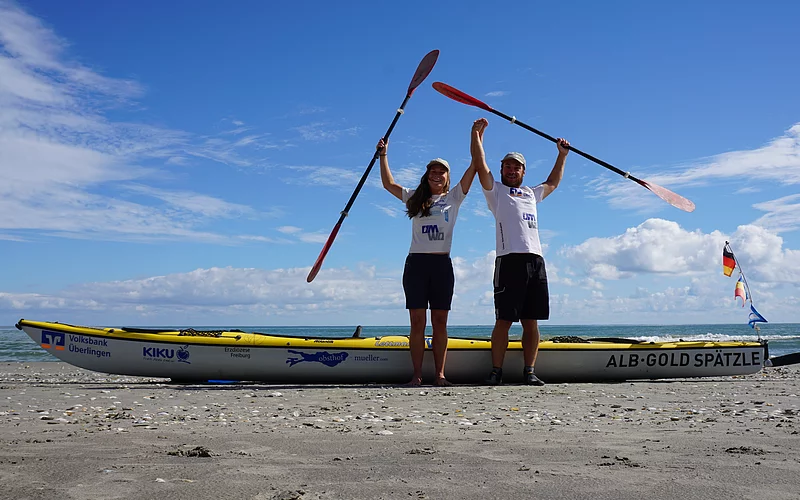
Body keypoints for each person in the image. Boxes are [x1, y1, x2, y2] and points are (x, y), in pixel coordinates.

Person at [377, 122, 480, 386]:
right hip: (416, 264)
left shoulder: (454, 197)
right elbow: (388, 184)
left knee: (440, 321)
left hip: (441, 264)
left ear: (447, 177)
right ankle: (417, 375)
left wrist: (476, 136)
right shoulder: (415, 198)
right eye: (433, 171)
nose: (437, 175)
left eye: (441, 172)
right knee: (417, 322)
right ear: (427, 175)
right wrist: (383, 155)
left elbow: (474, 167)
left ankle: (440, 374)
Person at [470, 117, 570, 385]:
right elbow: (480, 164)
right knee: (503, 320)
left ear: (524, 171)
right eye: (508, 166)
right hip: (509, 261)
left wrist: (561, 155)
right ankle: (496, 371)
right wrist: (476, 136)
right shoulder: (496, 191)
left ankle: (529, 371)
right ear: (502, 170)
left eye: (516, 167)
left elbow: (553, 182)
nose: (512, 170)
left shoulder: (530, 193)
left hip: (535, 261)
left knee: (531, 321)